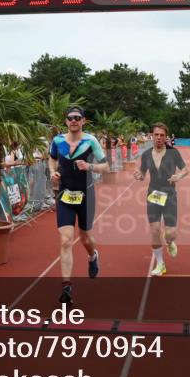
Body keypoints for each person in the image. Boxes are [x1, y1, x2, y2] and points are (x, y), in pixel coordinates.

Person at [49, 106, 109, 304]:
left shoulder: (90, 141)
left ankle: (93, 256)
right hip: (65, 196)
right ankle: (67, 288)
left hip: (86, 195)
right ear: (66, 121)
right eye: (70, 118)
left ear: (83, 121)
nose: (73, 121)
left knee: (85, 237)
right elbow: (52, 159)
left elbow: (106, 166)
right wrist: (53, 172)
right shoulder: (57, 141)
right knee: (66, 240)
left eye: (77, 118)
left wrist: (90, 166)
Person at [133, 122, 187, 276]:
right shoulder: (146, 154)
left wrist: (179, 175)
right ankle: (160, 264)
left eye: (162, 135)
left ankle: (169, 242)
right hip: (153, 196)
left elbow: (185, 170)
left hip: (170, 196)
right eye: (156, 134)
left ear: (166, 137)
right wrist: (139, 176)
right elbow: (142, 174)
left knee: (170, 233)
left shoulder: (173, 153)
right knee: (155, 231)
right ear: (152, 136)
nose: (158, 137)